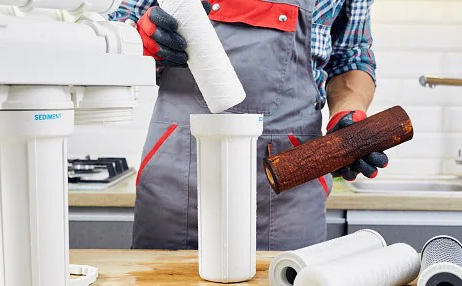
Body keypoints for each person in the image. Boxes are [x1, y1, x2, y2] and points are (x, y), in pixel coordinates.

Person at [109, 0, 388, 251]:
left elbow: (350, 57)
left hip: (290, 184)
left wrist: (348, 113)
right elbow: (115, 32)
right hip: (173, 179)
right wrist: (139, 42)